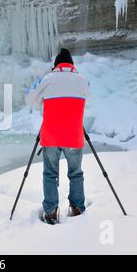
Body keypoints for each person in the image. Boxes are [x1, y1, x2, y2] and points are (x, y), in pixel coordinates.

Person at [25, 48, 90, 225]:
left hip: (51, 135)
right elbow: (87, 98)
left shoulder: (48, 79)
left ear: (56, 65)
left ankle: (51, 211)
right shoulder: (82, 80)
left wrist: (43, 103)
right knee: (76, 173)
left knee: (50, 174)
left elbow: (31, 99)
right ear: (71, 65)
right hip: (74, 136)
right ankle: (77, 208)